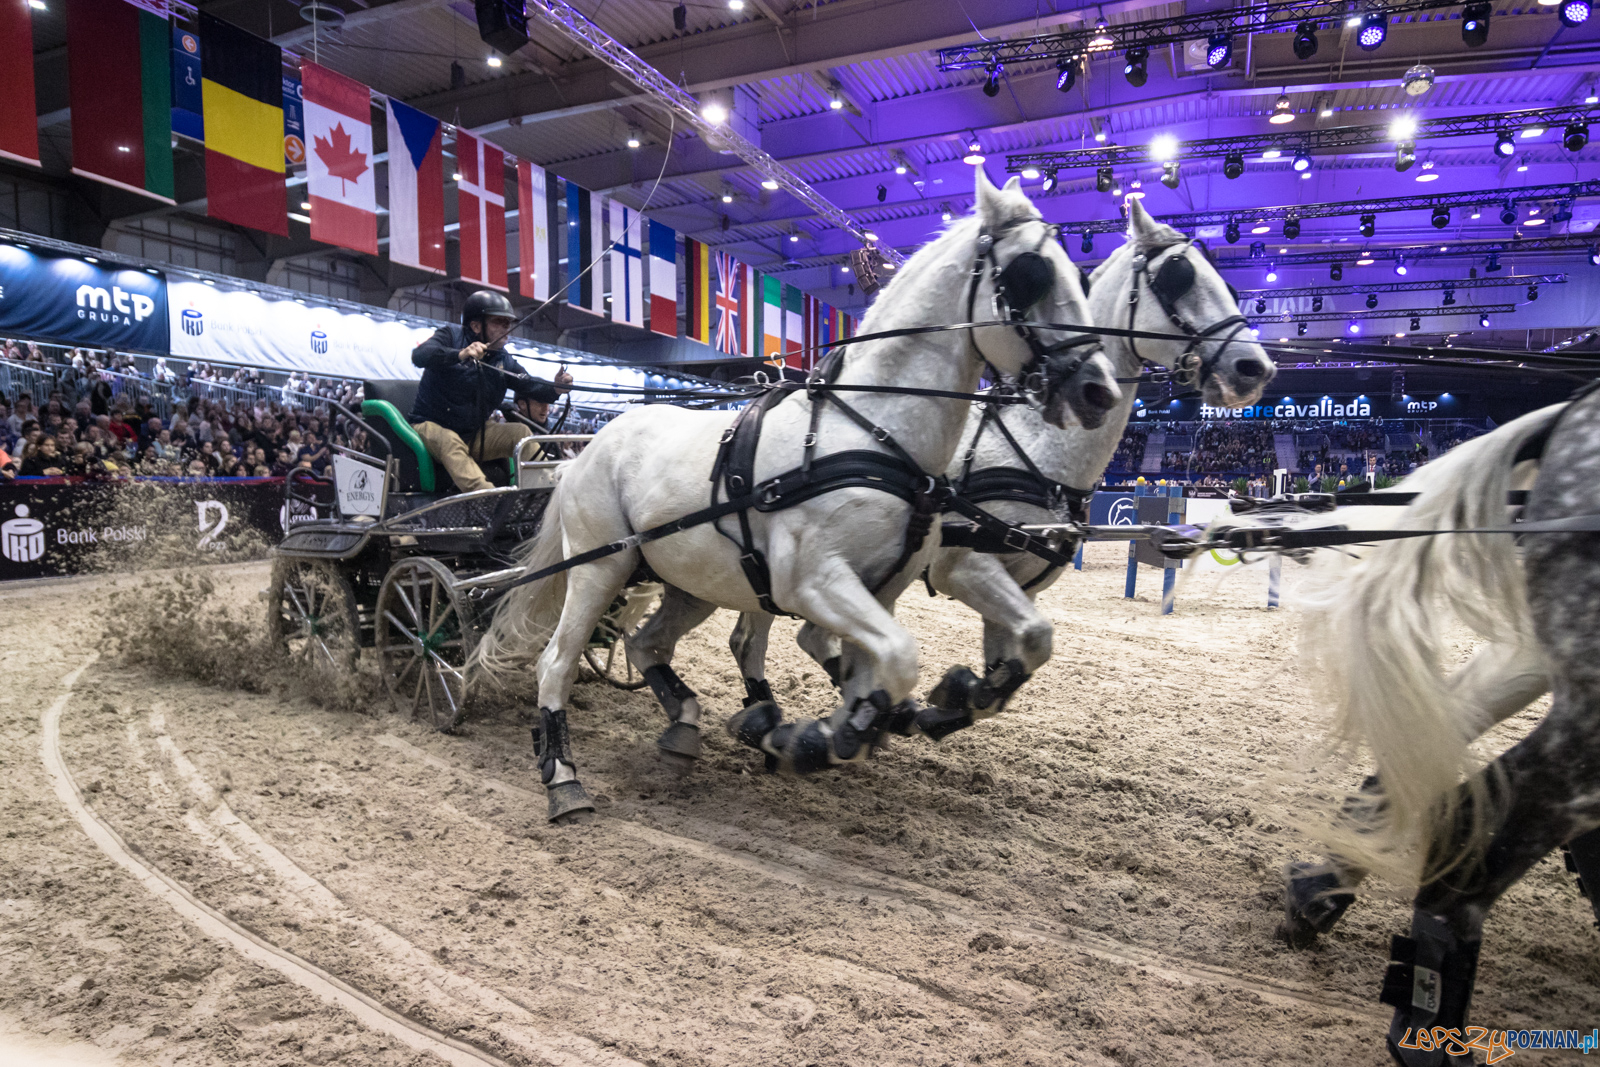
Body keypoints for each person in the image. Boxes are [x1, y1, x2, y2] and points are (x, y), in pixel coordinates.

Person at [408, 290, 572, 493]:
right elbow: (420, 355)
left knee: (521, 433)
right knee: (450, 441)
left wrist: (556, 388)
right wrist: (460, 354)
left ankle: (550, 492)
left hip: (473, 434)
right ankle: (490, 501)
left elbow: (528, 383)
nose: (506, 328)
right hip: (430, 426)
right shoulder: (451, 335)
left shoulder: (503, 359)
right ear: (476, 326)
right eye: (498, 322)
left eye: (508, 323)